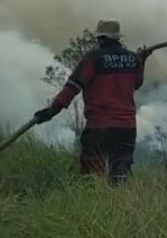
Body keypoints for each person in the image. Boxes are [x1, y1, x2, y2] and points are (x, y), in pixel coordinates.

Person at [33, 19, 150, 183]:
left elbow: (72, 87)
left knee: (93, 176)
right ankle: (121, 206)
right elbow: (136, 84)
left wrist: (52, 110)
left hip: (99, 128)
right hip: (126, 128)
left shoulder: (94, 58)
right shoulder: (132, 59)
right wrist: (141, 61)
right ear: (118, 39)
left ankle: (96, 206)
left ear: (100, 38)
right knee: (121, 174)